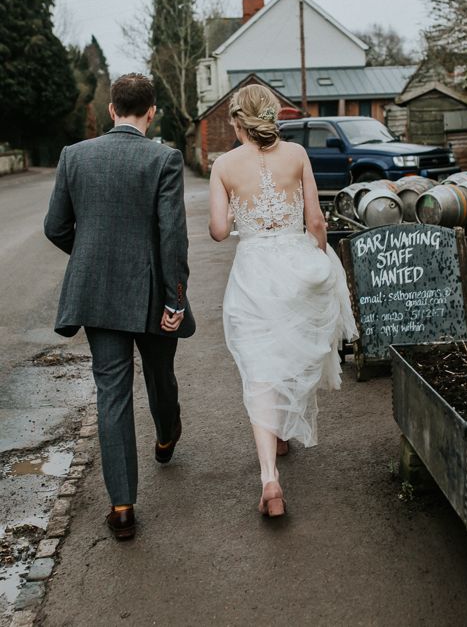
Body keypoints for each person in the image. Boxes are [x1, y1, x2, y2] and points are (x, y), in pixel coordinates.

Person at [44, 73, 195, 540]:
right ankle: (167, 434)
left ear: (111, 110)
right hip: (152, 293)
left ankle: (123, 505)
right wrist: (175, 297)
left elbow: (56, 226)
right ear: (151, 112)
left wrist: (91, 254)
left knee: (112, 392)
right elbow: (172, 235)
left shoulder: (74, 156)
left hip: (98, 294)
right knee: (159, 373)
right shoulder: (165, 158)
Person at [208, 84, 356, 517]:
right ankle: (283, 433)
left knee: (259, 367)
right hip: (295, 261)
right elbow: (315, 220)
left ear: (237, 122)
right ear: (272, 118)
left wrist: (237, 209)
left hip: (254, 270)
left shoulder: (225, 165)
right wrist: (320, 258)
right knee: (291, 348)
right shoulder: (297, 156)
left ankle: (269, 477)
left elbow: (218, 231)